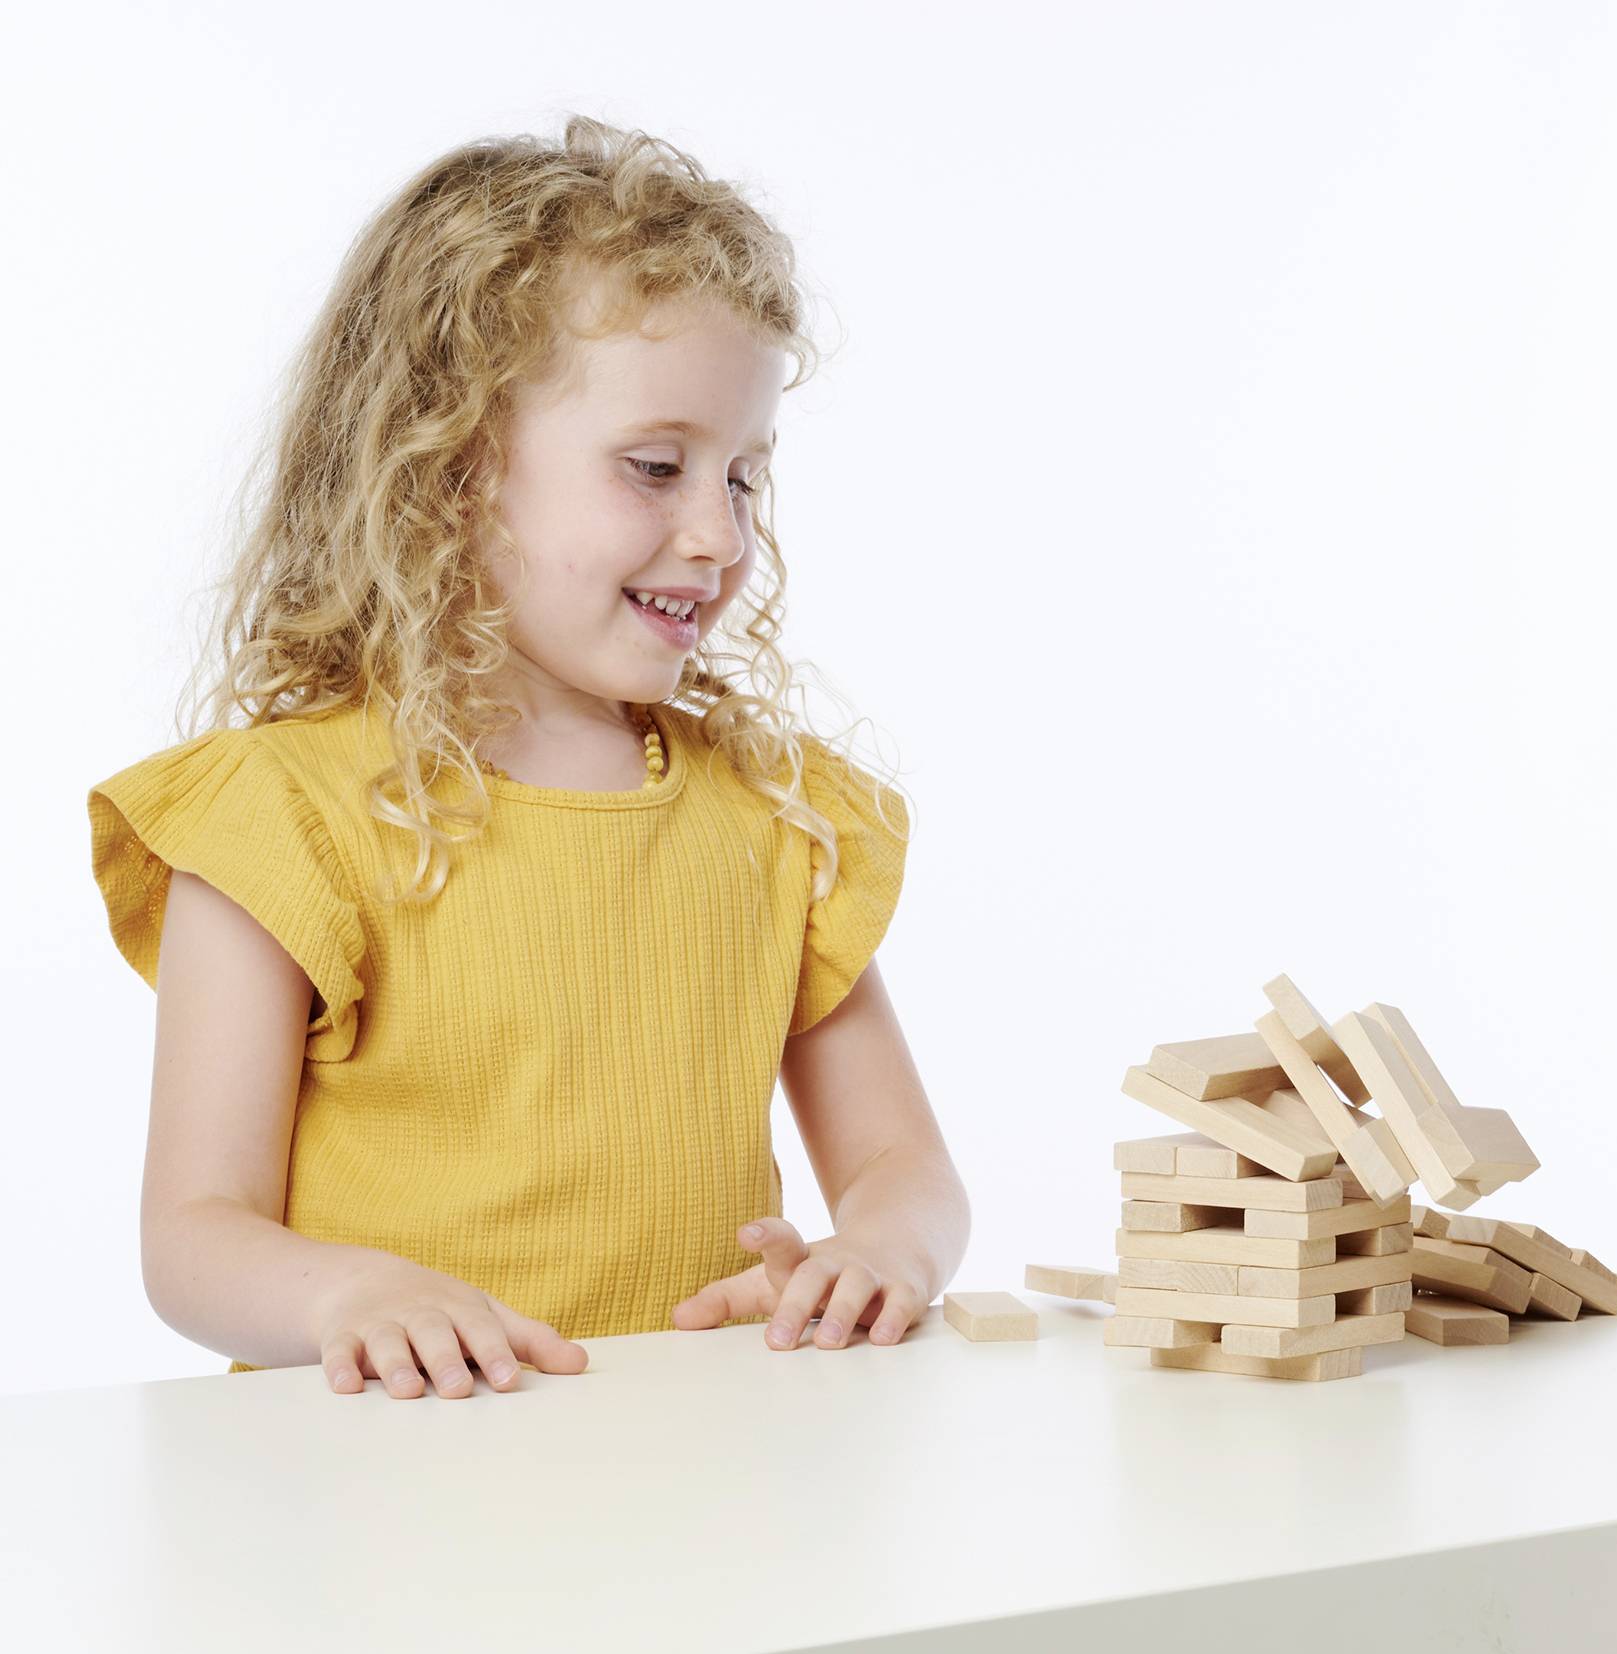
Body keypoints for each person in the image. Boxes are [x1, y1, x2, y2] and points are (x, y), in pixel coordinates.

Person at [88, 116, 968, 1399]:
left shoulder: (772, 817)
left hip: (705, 1495)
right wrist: (352, 1293)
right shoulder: (284, 819)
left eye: (743, 478)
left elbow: (906, 1169)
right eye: (657, 467)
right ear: (448, 464)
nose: (719, 536)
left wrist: (881, 1249)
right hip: (384, 1512)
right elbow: (193, 1239)